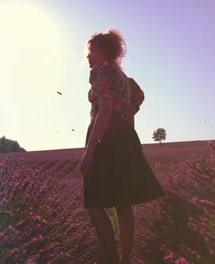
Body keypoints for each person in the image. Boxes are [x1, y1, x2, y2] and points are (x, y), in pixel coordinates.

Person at [79, 29, 165, 264]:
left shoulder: (103, 72)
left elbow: (104, 111)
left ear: (105, 51)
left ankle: (110, 257)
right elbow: (134, 104)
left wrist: (90, 150)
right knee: (123, 203)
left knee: (94, 202)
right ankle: (125, 259)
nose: (88, 56)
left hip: (105, 139)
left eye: (91, 51)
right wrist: (127, 131)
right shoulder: (125, 80)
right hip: (125, 139)